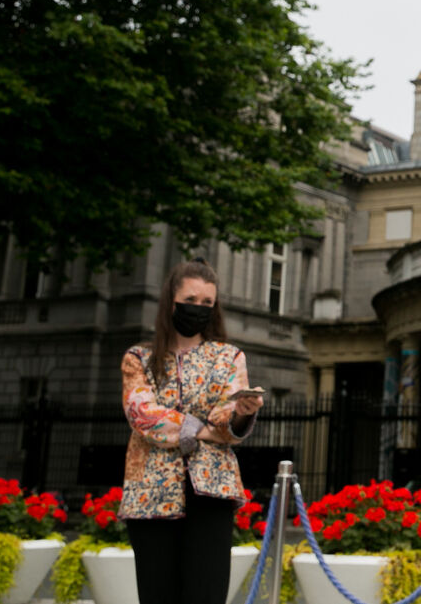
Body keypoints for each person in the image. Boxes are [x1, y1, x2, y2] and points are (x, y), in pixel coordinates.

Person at [117, 257, 265, 604]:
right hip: (149, 494)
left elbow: (226, 422)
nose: (198, 308)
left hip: (211, 491)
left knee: (206, 593)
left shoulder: (229, 356)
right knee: (157, 594)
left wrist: (241, 416)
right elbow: (141, 413)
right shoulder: (138, 358)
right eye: (191, 300)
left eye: (207, 303)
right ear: (171, 300)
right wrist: (199, 428)